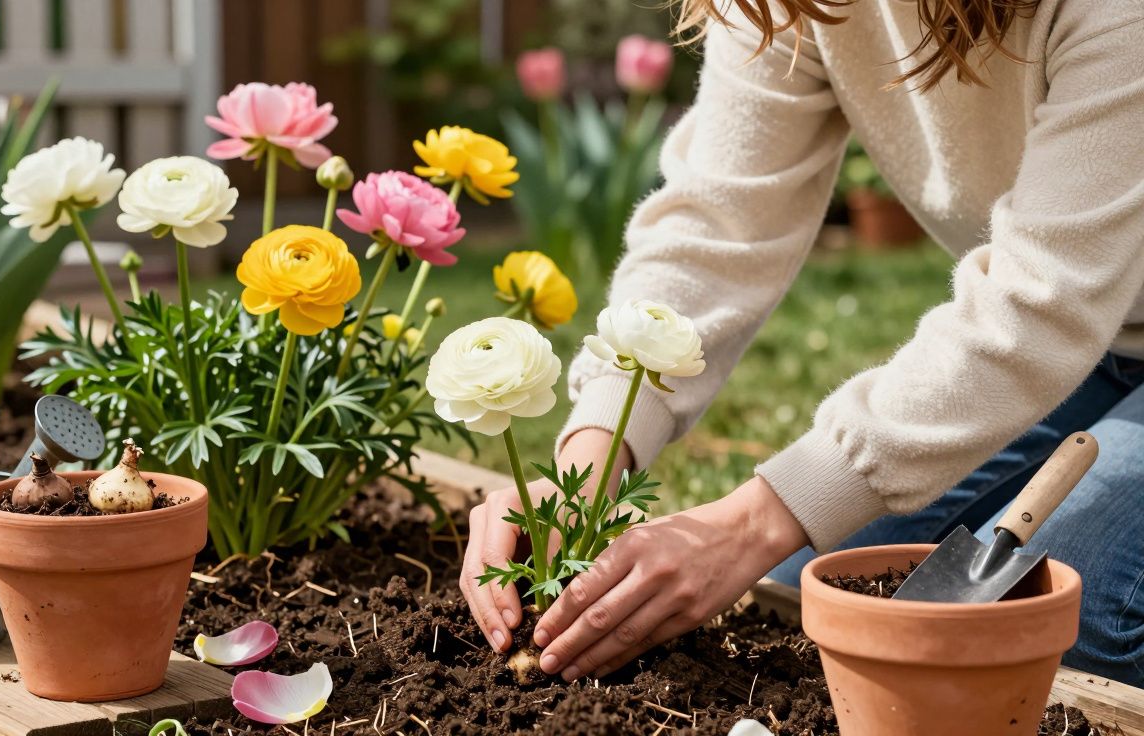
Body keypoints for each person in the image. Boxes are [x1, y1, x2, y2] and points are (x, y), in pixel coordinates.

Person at [460, 0, 1144, 688]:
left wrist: (748, 526)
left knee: (1076, 625)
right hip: (1088, 340)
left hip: (1073, 319)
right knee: (814, 593)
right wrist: (589, 470)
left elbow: (1043, 303)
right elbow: (717, 227)